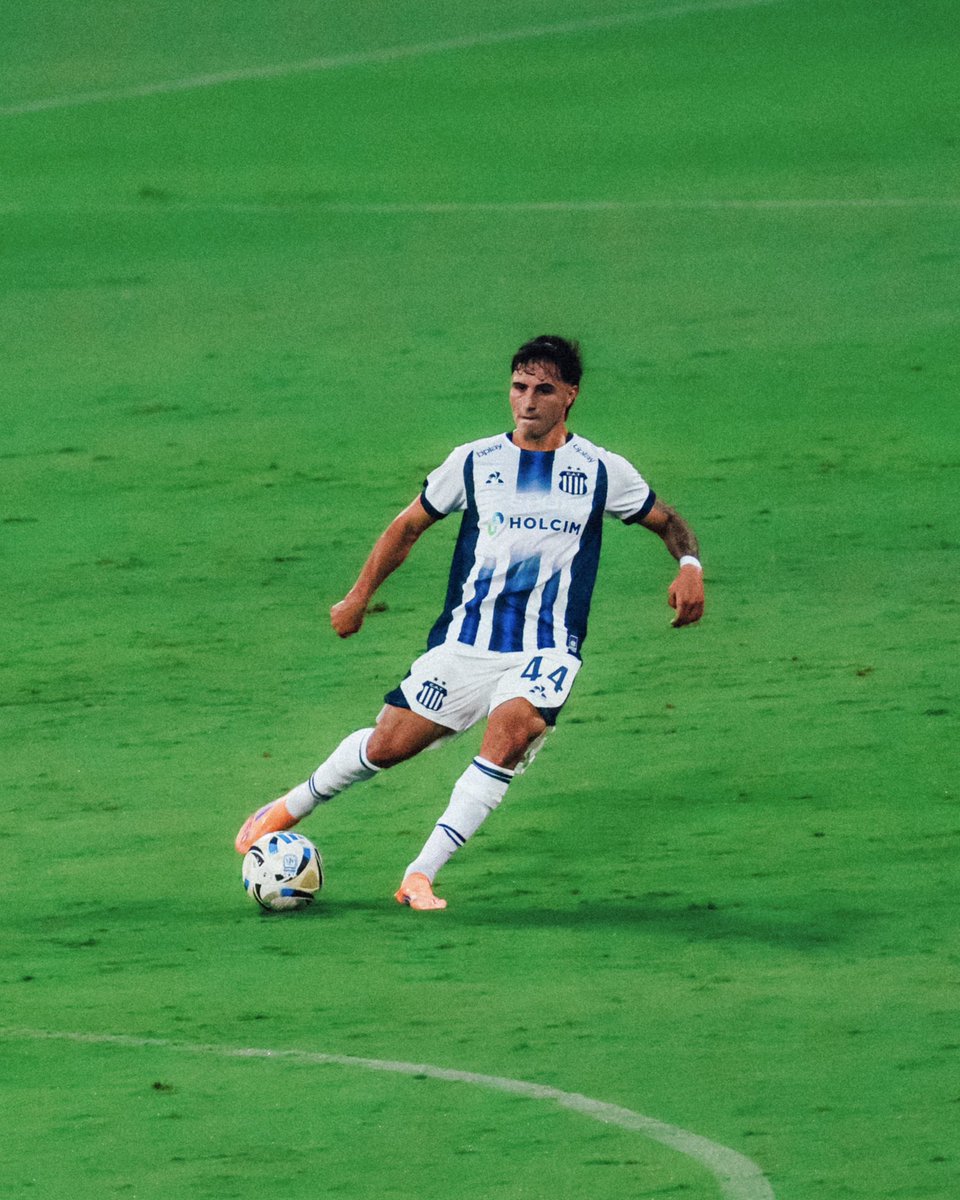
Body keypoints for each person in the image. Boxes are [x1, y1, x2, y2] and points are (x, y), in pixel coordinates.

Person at [235, 335, 705, 910]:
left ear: (570, 396)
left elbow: (668, 520)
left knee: (514, 730)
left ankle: (419, 874)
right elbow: (407, 527)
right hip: (465, 643)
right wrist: (358, 597)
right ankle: (294, 804)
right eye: (519, 387)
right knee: (386, 747)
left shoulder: (602, 471)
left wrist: (689, 565)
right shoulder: (476, 462)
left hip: (547, 647)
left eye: (543, 390)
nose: (527, 401)